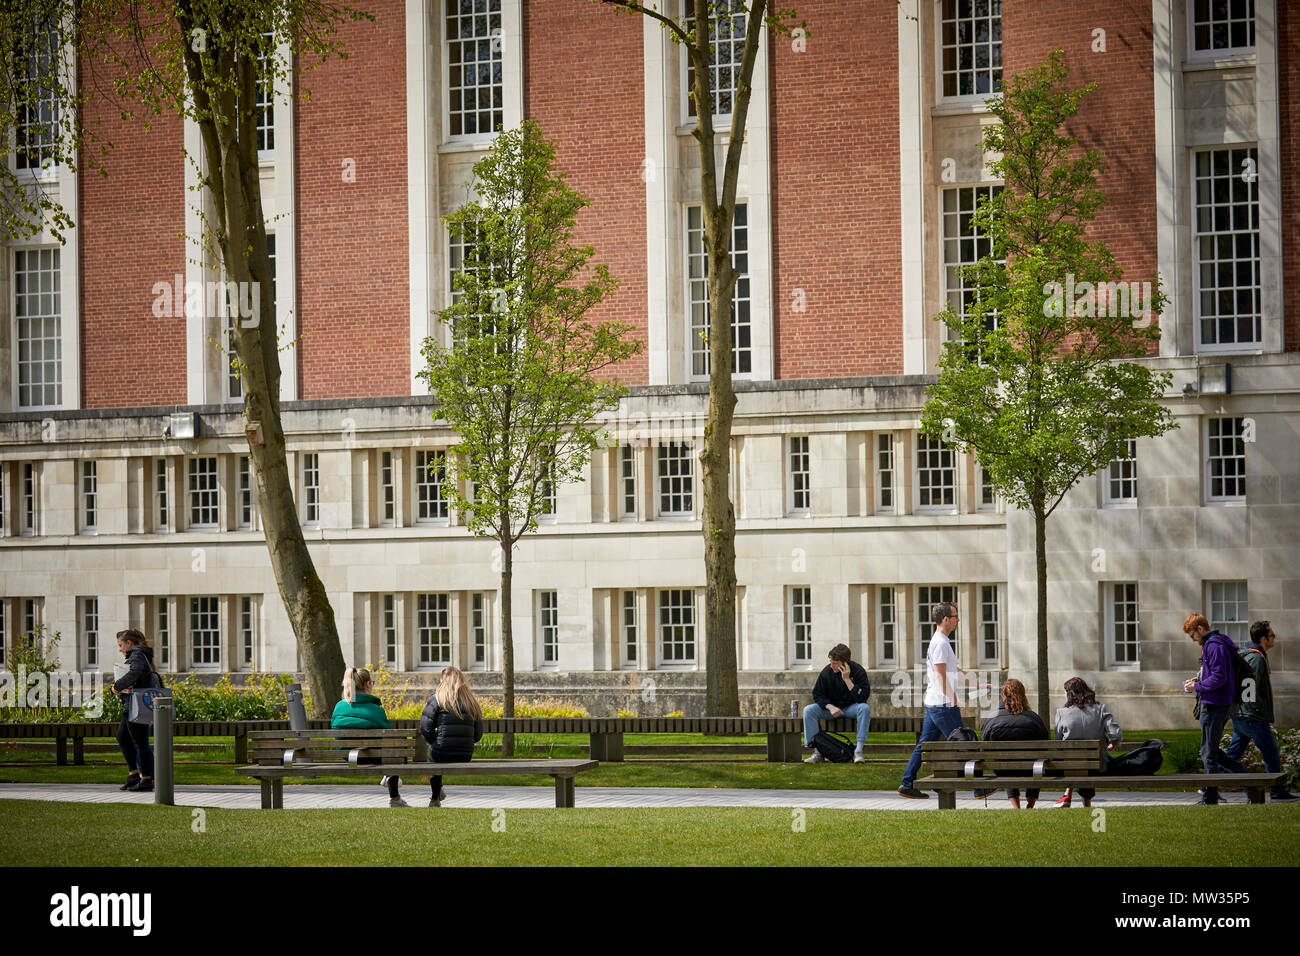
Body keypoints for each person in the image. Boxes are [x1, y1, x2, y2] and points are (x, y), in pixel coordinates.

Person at [898, 602, 970, 798]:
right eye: (955, 616)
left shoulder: (942, 641)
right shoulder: (940, 642)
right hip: (942, 704)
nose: (958, 620)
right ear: (946, 619)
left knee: (924, 744)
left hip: (935, 702)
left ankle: (906, 784)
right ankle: (980, 787)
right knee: (963, 743)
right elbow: (939, 674)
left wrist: (974, 683)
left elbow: (952, 669)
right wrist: (952, 698)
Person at [1220, 621, 1297, 801]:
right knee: (1270, 752)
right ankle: (1277, 791)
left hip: (1243, 715)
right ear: (1263, 639)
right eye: (1272, 635)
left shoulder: (1250, 655)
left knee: (1232, 755)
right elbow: (1248, 688)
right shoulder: (1256, 658)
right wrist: (1253, 713)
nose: (1274, 638)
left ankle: (1209, 785)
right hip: (1252, 717)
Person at [1181, 612, 1239, 805]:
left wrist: (1196, 687)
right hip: (1218, 703)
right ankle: (1244, 780)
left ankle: (1210, 797)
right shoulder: (1217, 643)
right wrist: (1199, 680)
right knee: (1210, 750)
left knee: (1208, 752)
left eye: (1192, 635)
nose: (1192, 639)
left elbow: (1219, 678)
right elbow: (1217, 674)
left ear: (1200, 628)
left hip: (1215, 705)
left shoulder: (1213, 645)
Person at [330, 666, 408, 807]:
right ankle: (394, 797)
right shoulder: (376, 710)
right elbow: (388, 734)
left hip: (347, 755)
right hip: (374, 756)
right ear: (368, 684)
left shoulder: (339, 707)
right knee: (395, 750)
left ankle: (389, 777)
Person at [419, 666, 484, 807]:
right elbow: (478, 735)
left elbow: (425, 728)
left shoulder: (437, 699)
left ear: (443, 681)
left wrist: (433, 741)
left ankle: (435, 797)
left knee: (433, 756)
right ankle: (438, 792)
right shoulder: (471, 702)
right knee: (436, 753)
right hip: (465, 754)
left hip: (441, 752)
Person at [1052, 676, 1121, 808]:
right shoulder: (1100, 709)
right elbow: (1115, 733)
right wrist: (1113, 743)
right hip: (1098, 766)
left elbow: (1058, 743)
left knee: (1076, 764)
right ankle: (1085, 805)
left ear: (1069, 694)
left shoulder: (1061, 713)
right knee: (1087, 763)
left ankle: (1067, 794)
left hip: (1070, 766)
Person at [982, 678, 1049, 809]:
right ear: (1023, 696)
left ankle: (1016, 807)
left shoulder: (992, 718)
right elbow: (1045, 743)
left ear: (1003, 695)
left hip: (1003, 769)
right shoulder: (1033, 718)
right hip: (1030, 769)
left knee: (1005, 762)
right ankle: (1030, 805)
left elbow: (984, 742)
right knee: (1037, 766)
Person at [802, 643, 872, 763]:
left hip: (851, 708)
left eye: (835, 663)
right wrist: (830, 707)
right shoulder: (826, 672)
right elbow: (817, 694)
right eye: (831, 662)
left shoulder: (858, 671)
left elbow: (862, 697)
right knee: (808, 710)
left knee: (864, 708)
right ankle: (818, 752)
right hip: (832, 710)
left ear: (845, 663)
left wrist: (847, 679)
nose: (832, 665)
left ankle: (858, 752)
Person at [110, 628, 158, 793]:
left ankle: (147, 779)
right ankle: (134, 774)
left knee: (140, 743)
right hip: (132, 705)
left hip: (137, 706)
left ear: (129, 643)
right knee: (122, 736)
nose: (120, 649)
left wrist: (117, 686)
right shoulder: (139, 655)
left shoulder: (137, 656)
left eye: (121, 644)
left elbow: (135, 673)